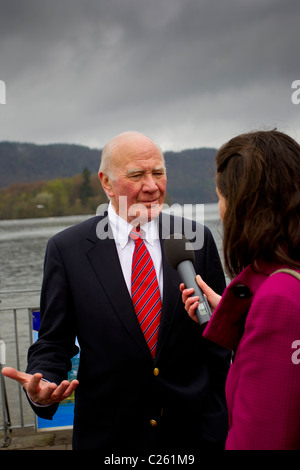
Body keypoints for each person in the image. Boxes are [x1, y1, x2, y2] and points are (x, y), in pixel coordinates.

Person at [2, 131, 230, 452]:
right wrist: (43, 381)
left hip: (194, 431)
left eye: (159, 173)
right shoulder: (68, 249)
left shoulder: (196, 237)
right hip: (109, 437)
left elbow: (218, 339)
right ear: (106, 183)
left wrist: (222, 417)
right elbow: (54, 341)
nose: (151, 186)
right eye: (136, 175)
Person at [181, 129, 300, 450]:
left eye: (221, 198)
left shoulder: (278, 300)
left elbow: (264, 434)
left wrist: (262, 319)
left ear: (244, 207)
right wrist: (243, 321)